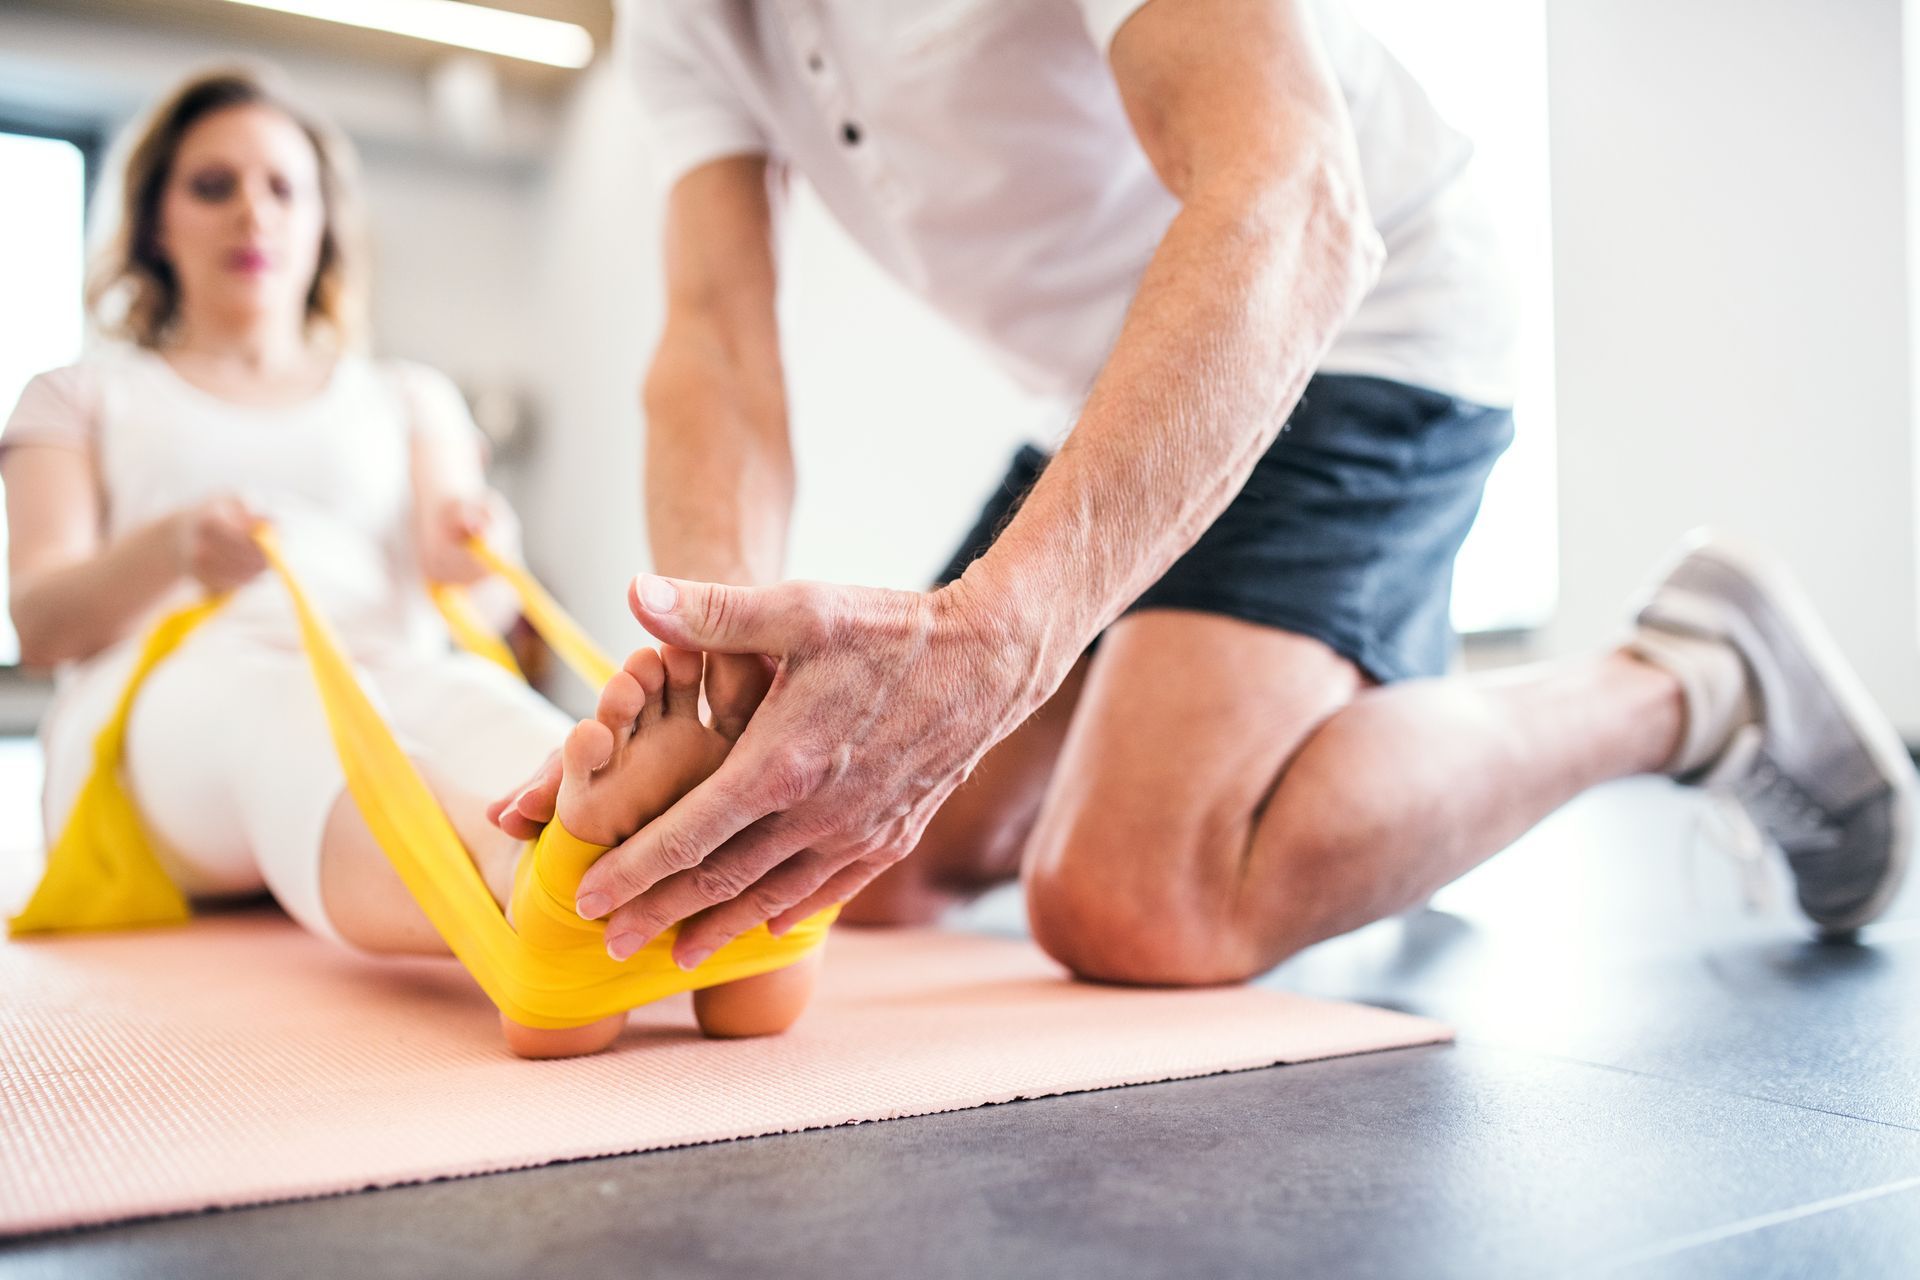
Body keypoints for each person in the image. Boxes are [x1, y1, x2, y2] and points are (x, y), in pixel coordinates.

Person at [492, 0, 1914, 980]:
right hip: (1114, 386)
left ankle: (1692, 679)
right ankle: (1342, 746)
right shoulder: (684, 15)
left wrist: (1003, 635)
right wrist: (713, 687)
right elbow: (718, 345)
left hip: (1358, 316)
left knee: (1139, 899)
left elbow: (1290, 196)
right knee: (872, 866)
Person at [2, 68, 814, 1057]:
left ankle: (687, 884)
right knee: (298, 724)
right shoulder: (79, 394)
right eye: (212, 185)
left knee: (496, 713)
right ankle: (532, 894)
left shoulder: (405, 395)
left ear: (322, 228)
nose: (251, 210)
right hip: (173, 689)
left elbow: (457, 564)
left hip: (392, 657)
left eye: (283, 188)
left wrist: (481, 539)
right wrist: (171, 548)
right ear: (154, 222)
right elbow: (40, 620)